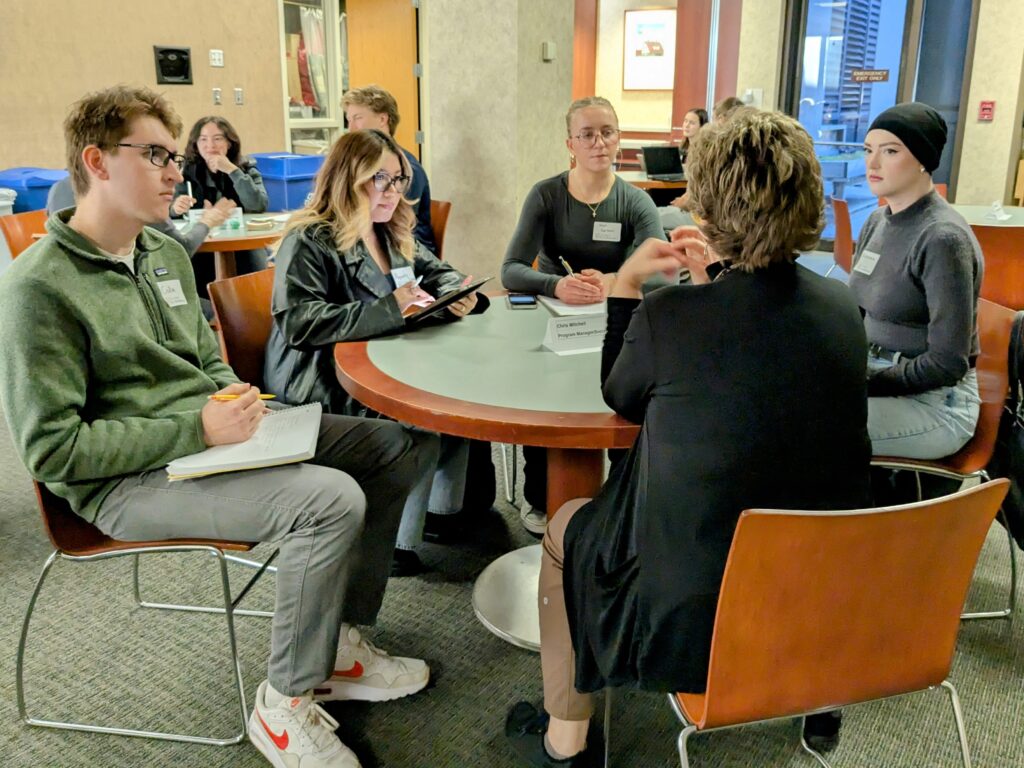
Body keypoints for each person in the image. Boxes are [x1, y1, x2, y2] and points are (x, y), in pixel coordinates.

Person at [0, 86, 435, 768]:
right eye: (156, 155)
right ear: (97, 162)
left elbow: (206, 362)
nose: (177, 172)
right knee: (329, 500)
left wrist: (241, 404)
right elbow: (55, 450)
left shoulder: (164, 252)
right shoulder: (37, 289)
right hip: (121, 483)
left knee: (391, 445)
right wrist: (199, 429)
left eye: (174, 156)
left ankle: (337, 646)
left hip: (208, 440)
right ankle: (284, 705)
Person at [503, 109, 872, 767]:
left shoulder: (671, 316)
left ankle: (567, 739)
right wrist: (704, 287)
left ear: (707, 204)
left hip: (696, 610)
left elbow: (620, 397)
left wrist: (625, 289)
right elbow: (750, 362)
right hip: (816, 588)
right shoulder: (842, 308)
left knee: (564, 529)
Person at [264, 128, 490, 576]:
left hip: (381, 362)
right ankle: (394, 544)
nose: (393, 191)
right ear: (350, 178)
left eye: (399, 180)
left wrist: (458, 294)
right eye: (380, 179)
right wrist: (394, 308)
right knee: (420, 418)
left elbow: (443, 273)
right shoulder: (310, 239)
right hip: (319, 378)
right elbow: (301, 322)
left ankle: (440, 517)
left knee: (461, 403)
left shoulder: (390, 233)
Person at [501, 95, 667, 535]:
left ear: (619, 138)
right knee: (546, 405)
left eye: (607, 132)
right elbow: (510, 270)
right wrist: (557, 284)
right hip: (555, 320)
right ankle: (539, 495)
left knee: (619, 406)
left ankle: (617, 497)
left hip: (617, 324)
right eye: (587, 134)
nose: (599, 142)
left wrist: (615, 280)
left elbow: (664, 272)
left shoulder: (635, 202)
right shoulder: (546, 195)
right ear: (570, 144)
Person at [850, 102, 983, 461]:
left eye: (890, 151)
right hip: (878, 374)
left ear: (923, 159)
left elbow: (947, 363)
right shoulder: (877, 221)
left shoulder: (941, 238)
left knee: (806, 428)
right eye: (868, 150)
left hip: (937, 404)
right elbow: (857, 311)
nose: (872, 163)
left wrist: (863, 383)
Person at [47, 174, 236, 319]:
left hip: (86, 297)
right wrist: (206, 222)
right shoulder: (136, 190)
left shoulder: (57, 189)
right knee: (226, 311)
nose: (176, 175)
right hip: (140, 301)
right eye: (153, 155)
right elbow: (180, 249)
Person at [173, 116, 270, 285]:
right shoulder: (188, 170)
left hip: (241, 244)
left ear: (229, 143)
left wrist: (232, 171)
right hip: (203, 244)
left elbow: (258, 205)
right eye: (203, 139)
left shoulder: (246, 167)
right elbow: (171, 212)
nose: (210, 146)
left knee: (252, 281)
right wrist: (176, 208)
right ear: (195, 144)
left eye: (217, 139)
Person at [342, 85, 438, 254]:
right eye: (349, 120)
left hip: (409, 253)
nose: (351, 129)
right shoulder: (357, 166)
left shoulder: (406, 169)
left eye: (358, 118)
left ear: (382, 119)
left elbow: (393, 228)